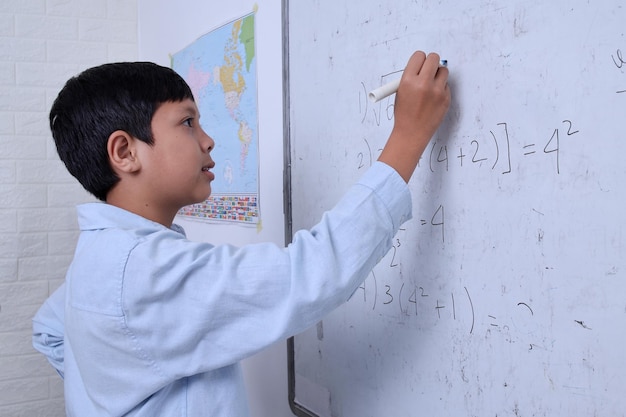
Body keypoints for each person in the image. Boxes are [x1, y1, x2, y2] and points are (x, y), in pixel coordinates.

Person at [32, 51, 450, 416]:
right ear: (125, 152)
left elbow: (49, 330)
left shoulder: (104, 254)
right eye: (188, 122)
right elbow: (309, 273)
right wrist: (408, 135)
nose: (209, 140)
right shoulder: (142, 272)